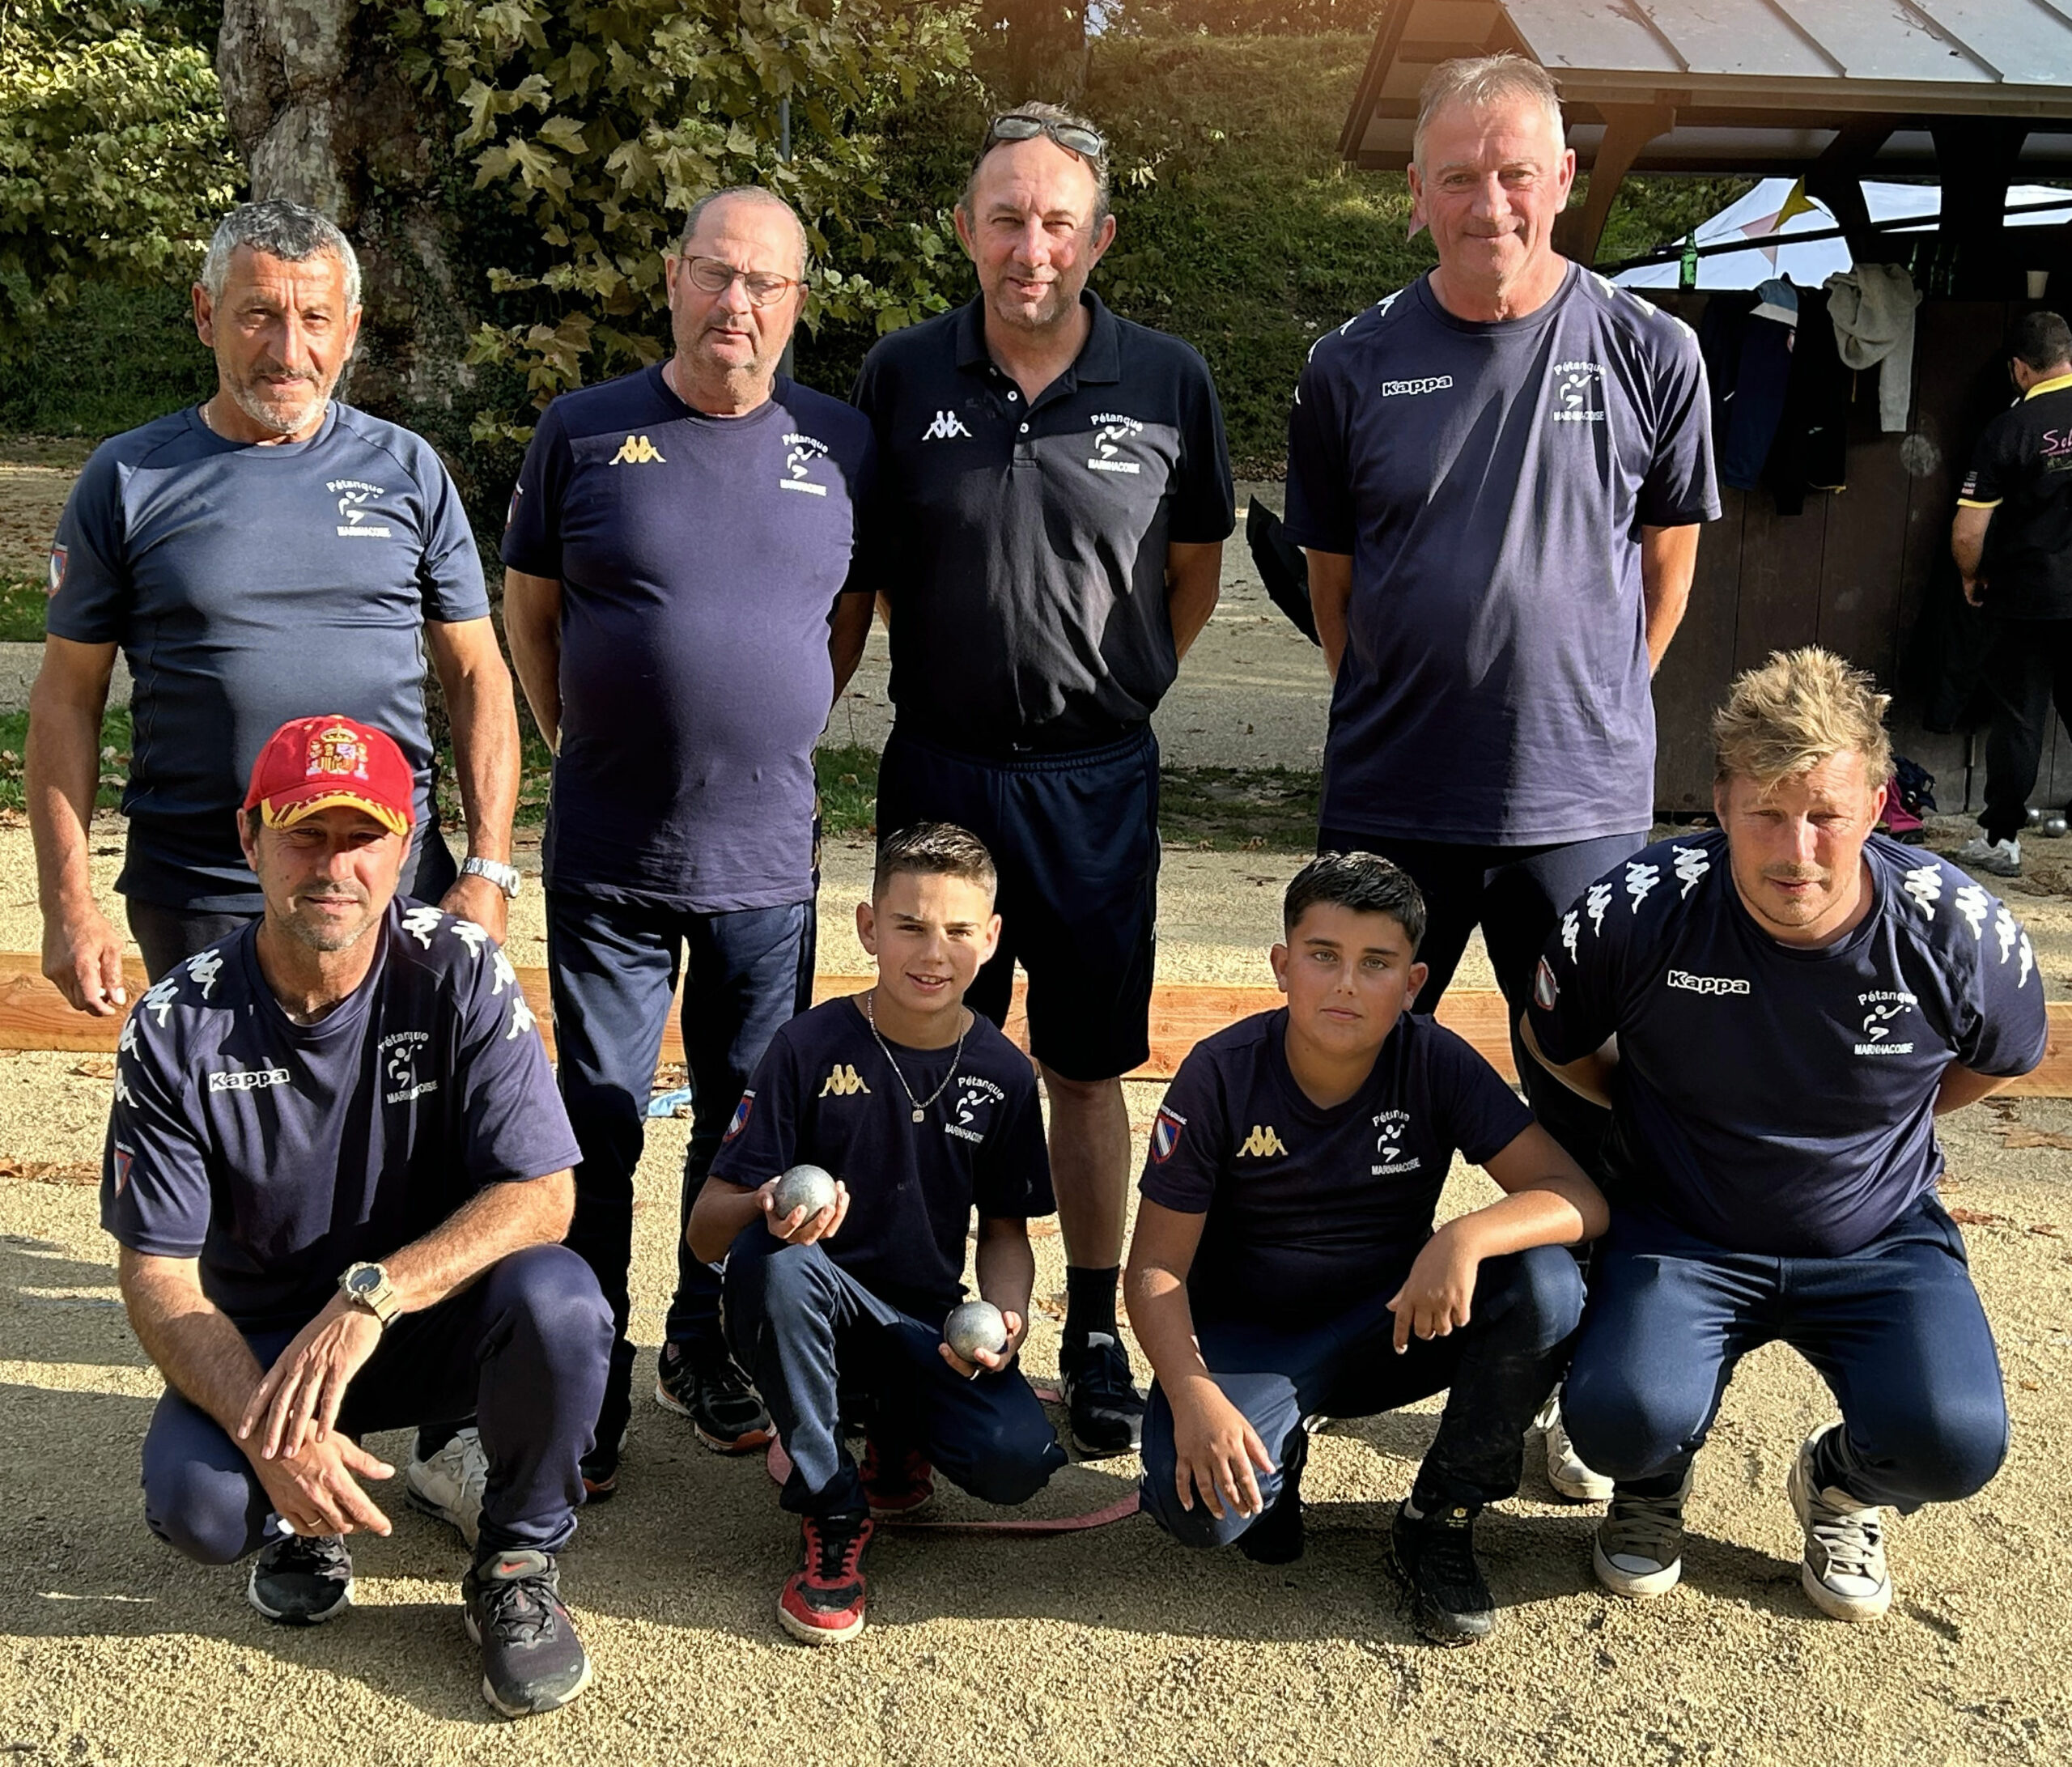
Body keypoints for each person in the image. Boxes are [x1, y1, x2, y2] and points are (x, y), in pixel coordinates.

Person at [1282, 51, 1715, 1493]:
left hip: (1578, 813)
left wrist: (1587, 707)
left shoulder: (1653, 348)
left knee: (1590, 1106)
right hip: (1395, 800)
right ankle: (1304, 1351)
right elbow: (1335, 590)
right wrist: (1416, 706)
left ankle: (1583, 1391)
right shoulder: (1350, 364)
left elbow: (1667, 570)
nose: (1490, 201)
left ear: (1564, 180)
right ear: (1416, 196)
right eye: (1458, 176)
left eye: (1515, 170)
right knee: (1349, 1080)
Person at [851, 104, 1235, 1456]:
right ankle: (920, 1311)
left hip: (1096, 782)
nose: (1031, 245)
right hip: (943, 776)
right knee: (931, 1053)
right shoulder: (900, 377)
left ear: (1099, 237)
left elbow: (1192, 571)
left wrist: (1120, 682)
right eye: (1005, 217)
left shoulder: (1168, 378)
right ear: (966, 228)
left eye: (1058, 220)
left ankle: (1085, 1321)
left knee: (1081, 1068)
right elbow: (872, 569)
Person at [102, 714, 609, 1716]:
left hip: (415, 1316)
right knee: (200, 1507)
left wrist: (375, 1295)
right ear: (249, 837)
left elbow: (545, 1193)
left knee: (563, 1302)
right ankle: (304, 1511)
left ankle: (515, 1555)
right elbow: (156, 1274)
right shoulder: (175, 1023)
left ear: (408, 844)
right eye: (305, 833)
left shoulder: (460, 968)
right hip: (269, 1339)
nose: (334, 866)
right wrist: (271, 1436)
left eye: (362, 835)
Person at [1525, 648, 2044, 1622]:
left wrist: (1889, 1126)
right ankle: (1653, 1477)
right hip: (1683, 1231)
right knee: (1616, 1421)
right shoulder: (1637, 904)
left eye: (1825, 813)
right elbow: (1549, 1038)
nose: (1794, 848)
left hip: (1876, 1240)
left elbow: (2001, 1057)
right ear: (1717, 800)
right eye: (1765, 810)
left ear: (1877, 800)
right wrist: (1641, 1108)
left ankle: (1841, 1483)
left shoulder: (1958, 928)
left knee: (1955, 1440)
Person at [502, 187, 876, 1497]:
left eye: (766, 283)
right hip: (608, 855)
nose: (738, 304)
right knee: (600, 1122)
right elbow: (530, 613)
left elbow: (843, 623)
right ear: (672, 278)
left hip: (766, 861)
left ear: (797, 301)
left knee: (743, 1123)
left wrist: (762, 726)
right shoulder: (585, 431)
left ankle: (703, 1346)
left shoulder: (840, 443)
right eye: (716, 274)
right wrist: (583, 738)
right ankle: (591, 1368)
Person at [32, 199, 522, 1002]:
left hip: (385, 878)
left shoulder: (407, 470)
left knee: (394, 1126)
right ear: (204, 314)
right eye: (258, 314)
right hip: (202, 890)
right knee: (225, 1126)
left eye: (315, 318)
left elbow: (478, 676)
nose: (287, 350)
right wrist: (66, 901)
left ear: (351, 327)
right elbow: (63, 696)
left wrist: (489, 869)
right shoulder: (128, 479)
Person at [1126, 852, 1604, 1645]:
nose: (1346, 984)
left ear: (1412, 983)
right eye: (1323, 956)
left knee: (1546, 1285)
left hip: (1390, 1319)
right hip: (1253, 1334)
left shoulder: (1435, 1058)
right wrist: (1192, 1392)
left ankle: (1440, 1514)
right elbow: (1155, 1268)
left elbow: (1579, 1197)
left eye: (1375, 963)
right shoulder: (1217, 1074)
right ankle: (1274, 1452)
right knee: (1202, 1513)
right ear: (1282, 966)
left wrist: (1463, 1234)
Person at [688, 823, 1066, 1645]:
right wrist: (763, 1205)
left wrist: (1007, 1315)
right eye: (910, 925)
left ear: (992, 938)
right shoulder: (809, 1045)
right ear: (866, 926)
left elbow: (1006, 1232)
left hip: (924, 1327)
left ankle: (897, 1434)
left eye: (960, 930)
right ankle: (831, 1505)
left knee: (1016, 1459)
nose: (934, 951)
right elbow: (703, 1234)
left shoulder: (1002, 1072)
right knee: (778, 1265)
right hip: (813, 1309)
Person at [1951, 308, 2072, 878]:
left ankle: (2002, 840)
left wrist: (1970, 575)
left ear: (2020, 369)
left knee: (2021, 719)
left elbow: (1969, 531)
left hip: (2027, 598)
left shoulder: (2008, 429)